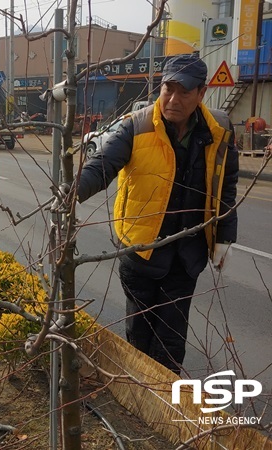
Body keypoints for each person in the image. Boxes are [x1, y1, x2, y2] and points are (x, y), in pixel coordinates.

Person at [75, 54, 239, 374]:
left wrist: (225, 237)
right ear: (160, 88)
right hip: (141, 252)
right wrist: (71, 193)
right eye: (168, 89)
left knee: (171, 337)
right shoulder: (135, 126)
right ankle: (141, 393)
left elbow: (226, 187)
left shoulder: (218, 131)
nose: (173, 99)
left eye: (184, 92)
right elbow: (102, 166)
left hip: (188, 252)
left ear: (201, 94)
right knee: (140, 331)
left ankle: (163, 399)